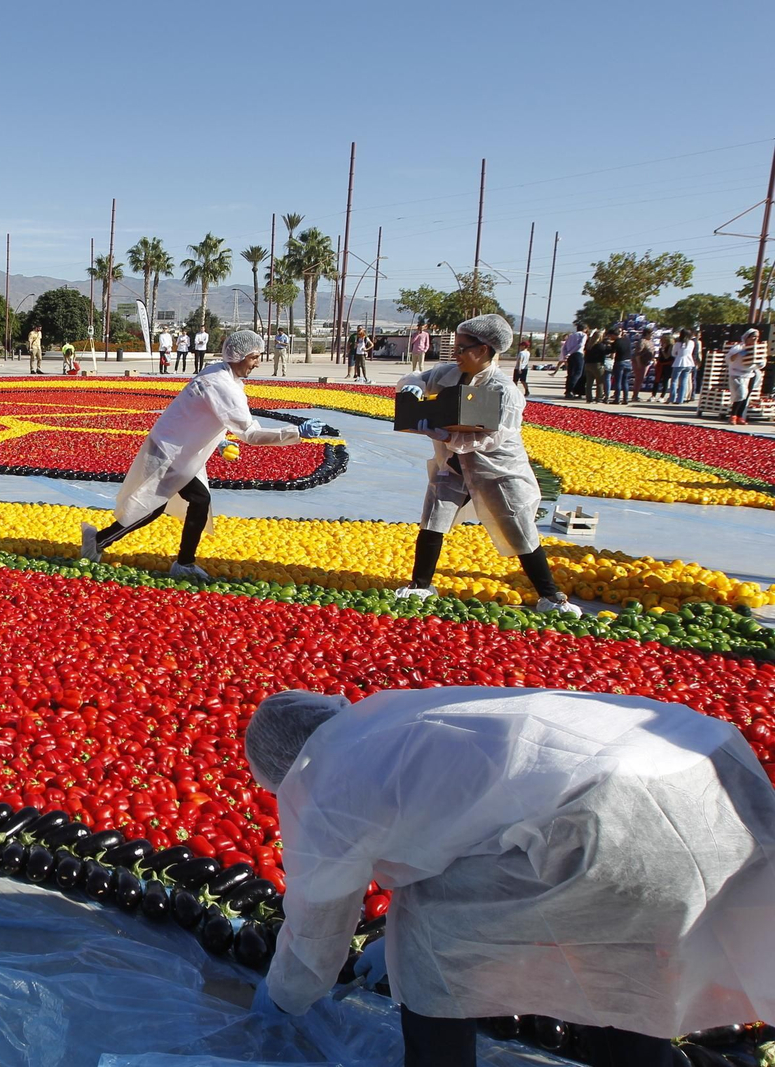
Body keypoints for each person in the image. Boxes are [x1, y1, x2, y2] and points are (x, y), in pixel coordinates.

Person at [244, 685, 775, 1067]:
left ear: (286, 768)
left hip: (611, 809)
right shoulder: (389, 719)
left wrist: (284, 997)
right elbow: (469, 825)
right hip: (710, 766)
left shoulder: (331, 781)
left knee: (432, 941)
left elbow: (320, 920)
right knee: (620, 950)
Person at [81, 330, 325, 581]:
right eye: (254, 357)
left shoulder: (220, 374)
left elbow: (205, 414)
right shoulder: (221, 385)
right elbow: (250, 434)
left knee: (192, 501)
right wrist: (297, 432)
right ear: (239, 356)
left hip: (181, 449)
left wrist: (219, 441)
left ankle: (177, 560)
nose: (257, 363)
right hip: (170, 451)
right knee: (159, 506)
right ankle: (101, 541)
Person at [393, 313, 579, 616]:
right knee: (434, 519)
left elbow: (493, 437)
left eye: (463, 348)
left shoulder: (504, 390)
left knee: (518, 526)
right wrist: (412, 386)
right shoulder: (450, 374)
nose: (456, 354)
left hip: (496, 469)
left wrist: (445, 436)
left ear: (482, 350)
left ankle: (551, 596)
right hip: (453, 465)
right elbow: (419, 378)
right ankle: (421, 585)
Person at [725, 327, 767, 425]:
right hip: (737, 374)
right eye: (753, 337)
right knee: (741, 394)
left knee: (746, 396)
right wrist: (740, 354)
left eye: (757, 337)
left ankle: (739, 416)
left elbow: (762, 361)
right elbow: (729, 358)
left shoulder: (758, 348)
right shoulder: (738, 347)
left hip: (750, 374)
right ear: (747, 337)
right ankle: (733, 415)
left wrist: (760, 363)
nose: (755, 339)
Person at [669, 328, 698, 404]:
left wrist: (678, 355)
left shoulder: (678, 344)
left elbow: (673, 353)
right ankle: (680, 399)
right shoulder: (692, 343)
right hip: (689, 362)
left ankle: (672, 398)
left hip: (679, 362)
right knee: (684, 382)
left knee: (674, 381)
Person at [558, 326, 586, 398]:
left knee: (570, 373)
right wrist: (571, 352)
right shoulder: (583, 335)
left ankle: (569, 390)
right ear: (584, 329)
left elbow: (565, 347)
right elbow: (580, 344)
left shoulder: (571, 335)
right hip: (577, 354)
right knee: (578, 373)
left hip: (570, 356)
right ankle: (571, 390)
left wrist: (566, 355)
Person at [651, 331, 675, 399]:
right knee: (657, 380)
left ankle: (662, 396)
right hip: (660, 364)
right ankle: (653, 395)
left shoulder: (671, 346)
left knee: (665, 380)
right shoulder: (662, 346)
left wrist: (663, 350)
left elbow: (667, 356)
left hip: (667, 365)